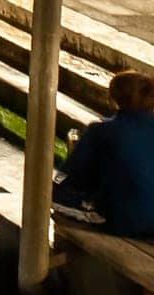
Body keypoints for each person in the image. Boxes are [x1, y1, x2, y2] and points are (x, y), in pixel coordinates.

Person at [54, 69, 154, 237]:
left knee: (52, 195)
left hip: (125, 221)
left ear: (114, 99)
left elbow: (70, 176)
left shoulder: (100, 131)